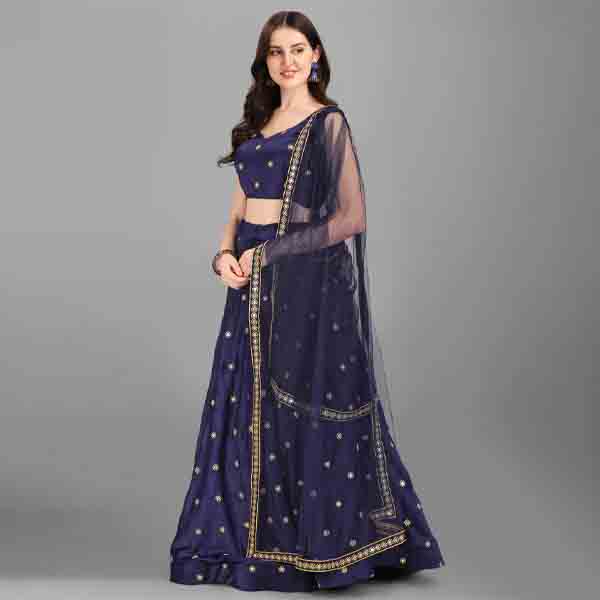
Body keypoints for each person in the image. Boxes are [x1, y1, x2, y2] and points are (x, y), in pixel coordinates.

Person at [169, 10, 445, 592]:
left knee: (306, 404)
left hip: (307, 281)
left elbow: (350, 217)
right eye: (276, 51)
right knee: (245, 403)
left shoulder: (327, 123)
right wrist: (223, 256)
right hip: (250, 278)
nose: (287, 61)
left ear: (316, 55)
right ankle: (245, 542)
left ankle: (325, 546)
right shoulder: (257, 123)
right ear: (265, 61)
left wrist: (270, 254)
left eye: (298, 49)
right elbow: (238, 205)